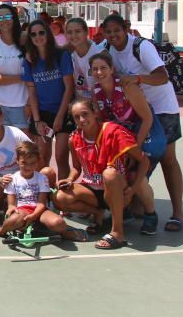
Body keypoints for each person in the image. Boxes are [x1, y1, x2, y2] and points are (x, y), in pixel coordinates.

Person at [102, 14, 183, 232]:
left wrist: (139, 78)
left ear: (126, 28)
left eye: (116, 31)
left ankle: (177, 213)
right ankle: (138, 204)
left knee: (168, 159)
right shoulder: (107, 49)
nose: (113, 35)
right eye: (108, 32)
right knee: (136, 160)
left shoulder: (142, 47)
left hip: (161, 107)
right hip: (135, 112)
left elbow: (162, 76)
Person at [52, 100, 151, 250]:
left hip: (117, 190)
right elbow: (76, 168)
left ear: (95, 113)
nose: (82, 120)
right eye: (77, 117)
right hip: (92, 189)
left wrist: (133, 190)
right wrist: (70, 179)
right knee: (60, 197)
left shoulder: (113, 131)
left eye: (85, 114)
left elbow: (144, 160)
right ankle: (98, 212)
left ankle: (118, 233)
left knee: (109, 174)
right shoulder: (74, 138)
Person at [90, 52, 165, 234]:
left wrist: (135, 148)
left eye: (103, 68)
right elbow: (103, 121)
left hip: (142, 136)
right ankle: (122, 212)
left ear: (112, 69)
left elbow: (147, 118)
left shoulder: (127, 87)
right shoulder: (96, 92)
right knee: (118, 176)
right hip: (122, 140)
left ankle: (151, 216)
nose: (99, 72)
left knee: (137, 179)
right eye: (95, 69)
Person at [0, 141, 85, 240]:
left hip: (40, 210)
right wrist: (11, 209)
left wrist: (34, 215)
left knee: (58, 223)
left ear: (38, 161)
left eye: (32, 163)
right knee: (12, 220)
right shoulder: (13, 179)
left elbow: (41, 203)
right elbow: (11, 204)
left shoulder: (42, 178)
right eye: (24, 162)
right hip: (22, 210)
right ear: (17, 160)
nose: (28, 167)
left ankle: (64, 233)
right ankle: (0, 230)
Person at [21, 19, 74, 175]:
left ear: (48, 34)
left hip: (63, 112)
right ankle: (45, 194)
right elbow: (32, 93)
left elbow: (69, 88)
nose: (38, 37)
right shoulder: (29, 60)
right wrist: (37, 121)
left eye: (41, 32)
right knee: (42, 157)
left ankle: (61, 195)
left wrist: (60, 117)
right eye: (33, 34)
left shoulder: (61, 55)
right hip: (42, 114)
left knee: (61, 157)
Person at [0, 3, 29, 131]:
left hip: (22, 105)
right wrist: (22, 78)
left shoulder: (25, 41)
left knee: (23, 148)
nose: (4, 20)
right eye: (0, 18)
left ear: (14, 18)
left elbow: (33, 76)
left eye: (7, 16)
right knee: (2, 148)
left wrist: (30, 104)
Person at [65, 17, 102, 101]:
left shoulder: (99, 53)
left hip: (99, 106)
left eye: (78, 31)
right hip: (80, 105)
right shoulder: (70, 54)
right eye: (69, 32)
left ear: (86, 32)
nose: (73, 35)